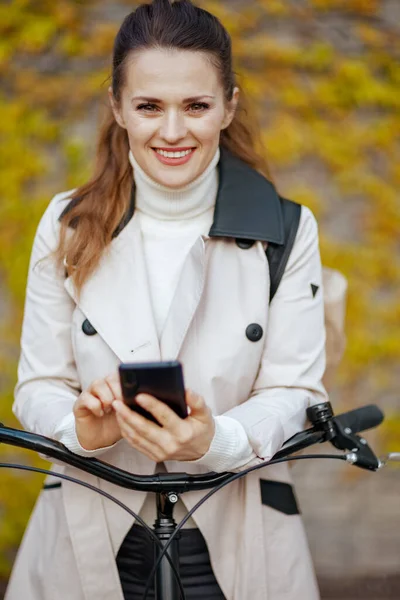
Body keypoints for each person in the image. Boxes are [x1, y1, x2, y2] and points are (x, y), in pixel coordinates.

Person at [5, 1, 328, 598]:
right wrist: (81, 431)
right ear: (117, 107)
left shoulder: (286, 228)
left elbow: (297, 389)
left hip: (237, 526)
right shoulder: (67, 224)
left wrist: (218, 441)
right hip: (88, 525)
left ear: (228, 104)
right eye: (149, 106)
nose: (173, 131)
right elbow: (39, 384)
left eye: (197, 106)